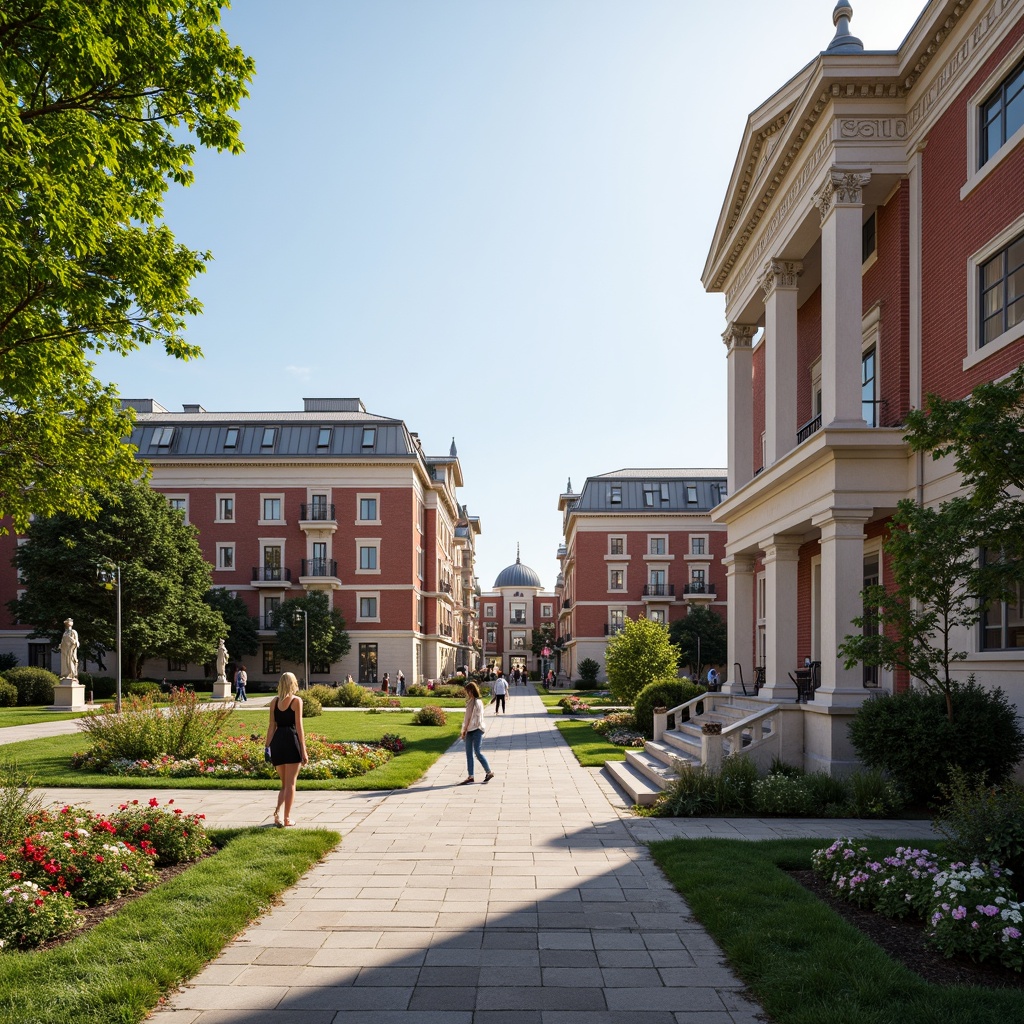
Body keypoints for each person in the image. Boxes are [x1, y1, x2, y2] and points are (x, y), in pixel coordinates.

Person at [264, 672, 308, 827]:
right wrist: (304, 749)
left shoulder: (274, 702)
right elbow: (299, 726)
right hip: (291, 741)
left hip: (277, 742)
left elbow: (271, 727)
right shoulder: (297, 701)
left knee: (284, 784)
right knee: (290, 784)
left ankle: (277, 813)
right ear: (293, 683)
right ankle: (287, 818)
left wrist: (267, 747)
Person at [458, 681, 494, 785]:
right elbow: (470, 718)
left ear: (471, 691)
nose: (467, 693)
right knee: (473, 753)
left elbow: (471, 718)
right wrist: (465, 730)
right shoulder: (474, 702)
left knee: (474, 753)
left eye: (467, 691)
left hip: (474, 730)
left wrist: (465, 730)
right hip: (474, 730)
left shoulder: (475, 702)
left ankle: (486, 772)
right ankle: (474, 775)